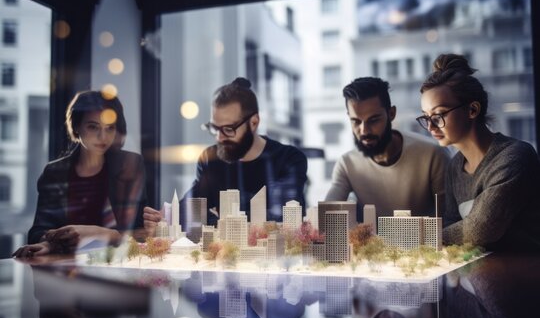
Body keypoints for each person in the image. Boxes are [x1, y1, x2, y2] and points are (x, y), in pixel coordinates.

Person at [144, 77, 307, 230]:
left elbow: (277, 220)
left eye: (229, 129)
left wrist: (214, 218)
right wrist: (164, 218)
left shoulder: (289, 159)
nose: (220, 137)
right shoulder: (210, 158)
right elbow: (191, 211)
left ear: (254, 122)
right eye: (214, 128)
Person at [418, 53, 540, 251]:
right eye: (426, 117)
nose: (431, 126)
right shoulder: (454, 167)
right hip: (479, 274)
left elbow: (481, 228)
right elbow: (451, 224)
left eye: (438, 115)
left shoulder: (515, 157)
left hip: (526, 274)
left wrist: (417, 237)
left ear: (472, 110)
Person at [12, 90, 147, 258]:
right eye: (93, 127)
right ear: (76, 126)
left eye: (110, 128)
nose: (102, 136)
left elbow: (142, 232)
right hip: (68, 267)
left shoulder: (130, 164)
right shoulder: (55, 172)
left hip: (119, 266)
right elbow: (38, 231)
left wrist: (102, 233)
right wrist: (49, 244)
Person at [325, 77, 449, 221]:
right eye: (356, 121)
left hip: (425, 242)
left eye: (374, 120)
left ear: (391, 114)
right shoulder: (347, 164)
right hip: (371, 244)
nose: (364, 131)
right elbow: (328, 212)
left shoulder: (433, 155)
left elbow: (449, 218)